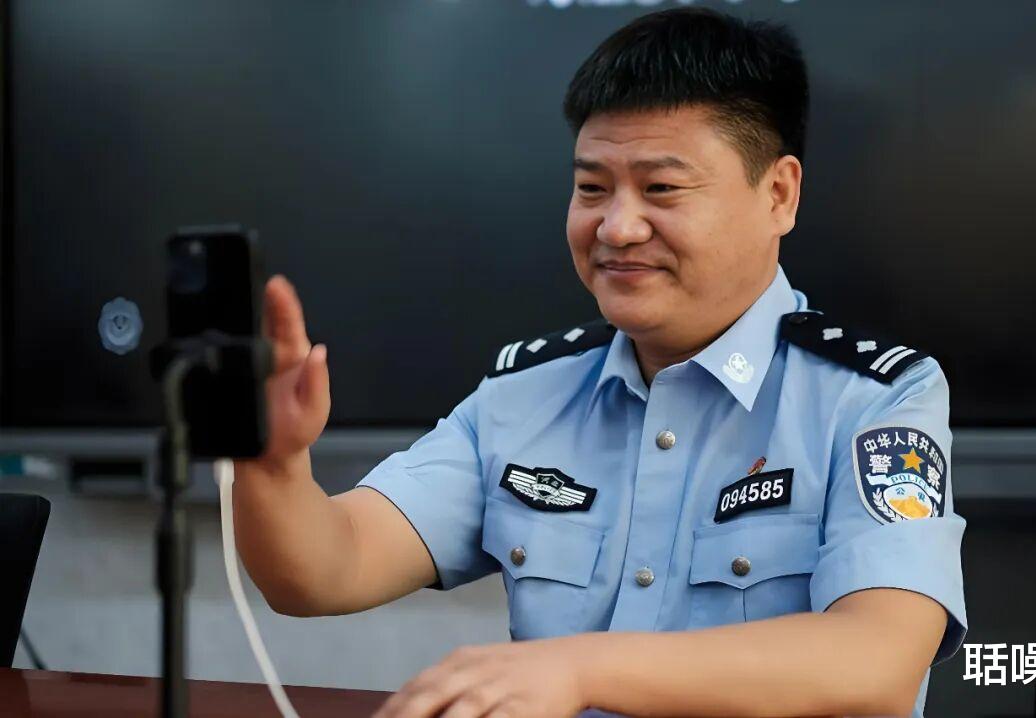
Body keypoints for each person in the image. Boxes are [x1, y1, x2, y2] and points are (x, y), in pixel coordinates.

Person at [234, 7, 966, 717]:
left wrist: (580, 669)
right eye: (591, 188)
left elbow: (877, 661)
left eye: (661, 189)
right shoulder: (527, 393)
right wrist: (272, 462)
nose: (616, 227)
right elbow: (325, 571)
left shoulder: (873, 399)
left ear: (778, 194)